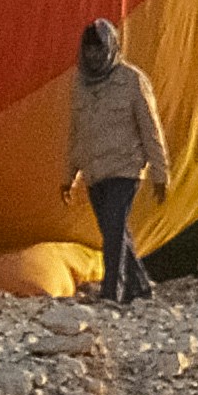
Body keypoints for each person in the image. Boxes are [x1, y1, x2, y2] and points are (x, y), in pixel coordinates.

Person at [62, 19, 172, 307]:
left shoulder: (132, 80)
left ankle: (112, 293)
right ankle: (140, 289)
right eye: (89, 50)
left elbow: (150, 128)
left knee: (112, 232)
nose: (93, 56)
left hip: (125, 169)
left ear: (111, 47)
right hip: (94, 172)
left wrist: (160, 173)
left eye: (99, 49)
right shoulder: (81, 84)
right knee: (115, 231)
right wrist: (69, 176)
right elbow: (76, 132)